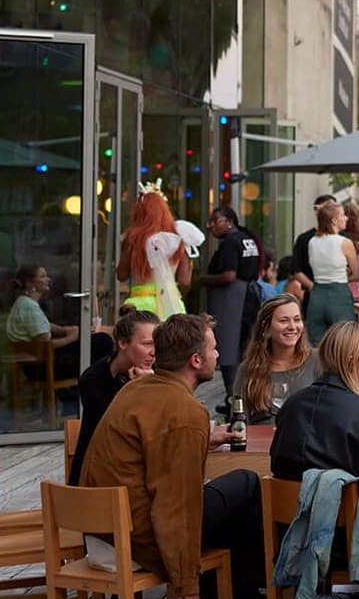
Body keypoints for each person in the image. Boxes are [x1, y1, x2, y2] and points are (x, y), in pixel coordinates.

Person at [80, 313, 264, 599]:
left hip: (105, 529)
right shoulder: (184, 411)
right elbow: (175, 508)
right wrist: (187, 594)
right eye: (213, 348)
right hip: (137, 533)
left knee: (228, 505)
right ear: (195, 360)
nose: (217, 353)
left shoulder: (135, 389)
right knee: (246, 484)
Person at [269, 319, 359, 548]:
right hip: (350, 543)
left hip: (290, 537)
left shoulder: (290, 407)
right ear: (353, 359)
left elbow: (277, 466)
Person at [71, 309, 158, 485]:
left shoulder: (155, 374)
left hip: (133, 471)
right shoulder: (93, 380)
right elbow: (121, 428)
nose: (154, 352)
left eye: (157, 344)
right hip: (97, 480)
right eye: (147, 344)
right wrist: (140, 388)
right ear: (123, 343)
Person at [198, 206, 260, 389]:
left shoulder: (230, 242)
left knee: (228, 347)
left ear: (230, 222)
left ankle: (233, 396)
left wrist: (203, 279)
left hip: (231, 300)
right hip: (249, 296)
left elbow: (229, 275)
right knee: (242, 346)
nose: (211, 226)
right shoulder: (247, 239)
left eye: (215, 221)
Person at [231, 297, 319, 423]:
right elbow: (239, 422)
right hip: (262, 441)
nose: (292, 326)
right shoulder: (247, 369)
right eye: (284, 321)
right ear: (265, 327)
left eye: (297, 319)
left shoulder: (318, 361)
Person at [118, 186, 189, 317]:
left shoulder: (133, 239)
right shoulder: (177, 239)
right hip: (171, 304)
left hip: (139, 303)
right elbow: (184, 281)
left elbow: (121, 275)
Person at [303, 199, 359, 344]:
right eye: (342, 215)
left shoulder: (312, 242)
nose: (346, 218)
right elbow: (356, 274)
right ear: (334, 220)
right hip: (338, 294)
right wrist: (345, 272)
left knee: (316, 343)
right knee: (343, 341)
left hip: (317, 294)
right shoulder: (344, 243)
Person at [3, 265, 80, 371]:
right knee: (100, 342)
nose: (48, 279)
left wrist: (65, 330)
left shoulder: (23, 303)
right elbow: (45, 345)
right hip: (41, 368)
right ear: (30, 283)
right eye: (43, 276)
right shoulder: (29, 306)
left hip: (34, 364)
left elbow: (42, 325)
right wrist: (73, 337)